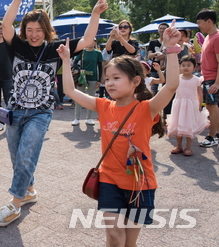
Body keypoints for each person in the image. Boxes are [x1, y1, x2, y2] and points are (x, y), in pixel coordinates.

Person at [0, 0, 108, 227]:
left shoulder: (57, 48)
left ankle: (15, 204)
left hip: (41, 113)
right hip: (15, 110)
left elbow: (87, 40)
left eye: (39, 30)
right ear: (24, 30)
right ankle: (30, 190)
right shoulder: (17, 46)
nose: (34, 34)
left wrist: (94, 14)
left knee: (26, 154)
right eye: (30, 30)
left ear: (47, 30)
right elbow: (5, 24)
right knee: (17, 157)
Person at [59, 23, 181, 247]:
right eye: (107, 79)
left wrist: (171, 49)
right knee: (115, 237)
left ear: (136, 81)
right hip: (109, 181)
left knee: (129, 242)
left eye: (116, 78)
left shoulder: (147, 109)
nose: (109, 83)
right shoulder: (103, 106)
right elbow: (70, 91)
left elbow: (172, 85)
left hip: (140, 184)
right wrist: (66, 60)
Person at [168, 55, 208, 156]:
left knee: (189, 125)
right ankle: (178, 146)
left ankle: (188, 147)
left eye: (189, 65)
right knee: (178, 125)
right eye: (183, 65)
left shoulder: (196, 80)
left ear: (194, 67)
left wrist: (200, 105)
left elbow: (199, 93)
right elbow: (170, 91)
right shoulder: (176, 78)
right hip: (178, 105)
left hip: (191, 105)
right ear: (180, 67)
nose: (186, 67)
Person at [196, 9, 219, 147]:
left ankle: (212, 137)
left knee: (212, 107)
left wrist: (217, 82)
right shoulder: (209, 37)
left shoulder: (217, 38)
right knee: (212, 108)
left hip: (212, 80)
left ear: (209, 21)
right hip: (207, 78)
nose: (198, 26)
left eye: (200, 23)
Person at [71, 39, 103, 126]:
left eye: (93, 40)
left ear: (95, 42)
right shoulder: (82, 52)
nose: (90, 42)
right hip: (82, 77)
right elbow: (74, 63)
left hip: (93, 77)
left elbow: (100, 67)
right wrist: (79, 69)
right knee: (79, 97)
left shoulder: (98, 53)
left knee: (92, 98)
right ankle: (76, 118)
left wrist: (100, 80)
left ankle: (89, 118)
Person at [147, 22, 169, 94]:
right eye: (160, 28)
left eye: (164, 29)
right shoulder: (153, 42)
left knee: (166, 89)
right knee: (153, 89)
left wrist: (164, 56)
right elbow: (149, 55)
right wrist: (157, 54)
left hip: (167, 68)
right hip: (154, 68)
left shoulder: (170, 42)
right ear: (158, 30)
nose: (162, 30)